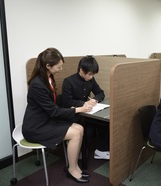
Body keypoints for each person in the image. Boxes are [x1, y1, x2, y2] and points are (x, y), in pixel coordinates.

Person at [22, 47, 92, 183]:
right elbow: (53, 111)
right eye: (59, 67)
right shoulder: (37, 84)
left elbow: (52, 109)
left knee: (79, 128)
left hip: (46, 120)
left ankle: (74, 166)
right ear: (48, 66)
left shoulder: (48, 78)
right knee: (75, 133)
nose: (61, 69)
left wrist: (76, 109)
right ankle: (72, 170)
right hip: (35, 127)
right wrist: (79, 109)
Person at [62, 56, 110, 160]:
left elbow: (100, 93)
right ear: (81, 70)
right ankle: (77, 150)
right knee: (89, 130)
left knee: (104, 124)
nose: (91, 77)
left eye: (93, 74)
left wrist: (94, 100)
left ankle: (101, 150)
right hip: (74, 114)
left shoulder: (91, 80)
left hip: (88, 113)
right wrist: (83, 103)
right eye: (89, 74)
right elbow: (66, 102)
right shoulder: (68, 82)